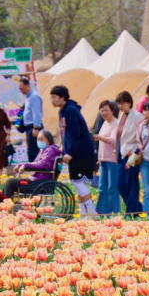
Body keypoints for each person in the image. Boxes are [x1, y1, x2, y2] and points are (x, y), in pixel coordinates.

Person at [50, 84, 96, 217]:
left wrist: (70, 152)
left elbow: (74, 133)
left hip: (82, 153)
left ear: (62, 98)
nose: (52, 100)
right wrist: (63, 148)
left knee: (78, 182)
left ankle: (92, 214)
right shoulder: (62, 111)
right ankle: (83, 215)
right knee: (78, 182)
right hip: (74, 152)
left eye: (54, 97)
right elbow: (65, 134)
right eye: (51, 98)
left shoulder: (70, 110)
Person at [5, 130, 61, 198]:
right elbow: (35, 163)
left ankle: (4, 206)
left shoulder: (51, 150)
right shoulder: (44, 150)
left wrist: (25, 165)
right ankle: (2, 204)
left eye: (42, 139)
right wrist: (20, 165)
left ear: (49, 140)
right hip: (37, 179)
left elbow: (41, 164)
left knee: (10, 182)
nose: (39, 141)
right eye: (38, 139)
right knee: (9, 183)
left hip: (41, 181)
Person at [115, 91, 144, 215]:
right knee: (120, 183)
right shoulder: (122, 115)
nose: (120, 106)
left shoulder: (137, 116)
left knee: (132, 184)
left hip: (131, 155)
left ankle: (132, 213)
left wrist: (136, 151)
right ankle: (137, 208)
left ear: (129, 103)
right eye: (118, 104)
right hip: (122, 154)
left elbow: (142, 135)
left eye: (122, 103)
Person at [93, 100, 121, 214]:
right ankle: (100, 212)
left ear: (112, 111)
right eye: (102, 110)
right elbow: (102, 145)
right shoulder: (105, 123)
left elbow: (114, 140)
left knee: (112, 188)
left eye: (106, 110)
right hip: (103, 160)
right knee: (102, 187)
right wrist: (99, 158)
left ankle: (114, 212)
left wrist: (100, 137)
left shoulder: (116, 123)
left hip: (112, 161)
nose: (104, 113)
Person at [18, 78, 44, 162]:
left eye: (22, 88)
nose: (21, 91)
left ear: (28, 85)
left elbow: (36, 112)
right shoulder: (29, 97)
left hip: (33, 126)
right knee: (31, 151)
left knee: (34, 152)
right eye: (19, 89)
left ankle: (36, 170)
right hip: (29, 127)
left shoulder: (34, 96)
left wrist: (36, 127)